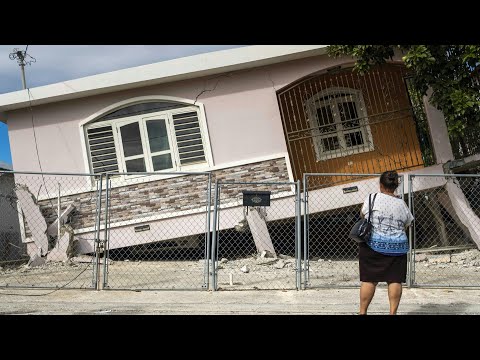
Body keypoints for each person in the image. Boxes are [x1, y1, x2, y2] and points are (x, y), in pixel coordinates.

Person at [358, 170, 414, 315]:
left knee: (369, 280)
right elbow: (407, 223)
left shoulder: (372, 198)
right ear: (396, 185)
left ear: (381, 185)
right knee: (395, 279)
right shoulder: (401, 203)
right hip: (398, 247)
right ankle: (392, 313)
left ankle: (362, 312)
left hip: (372, 246)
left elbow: (363, 214)